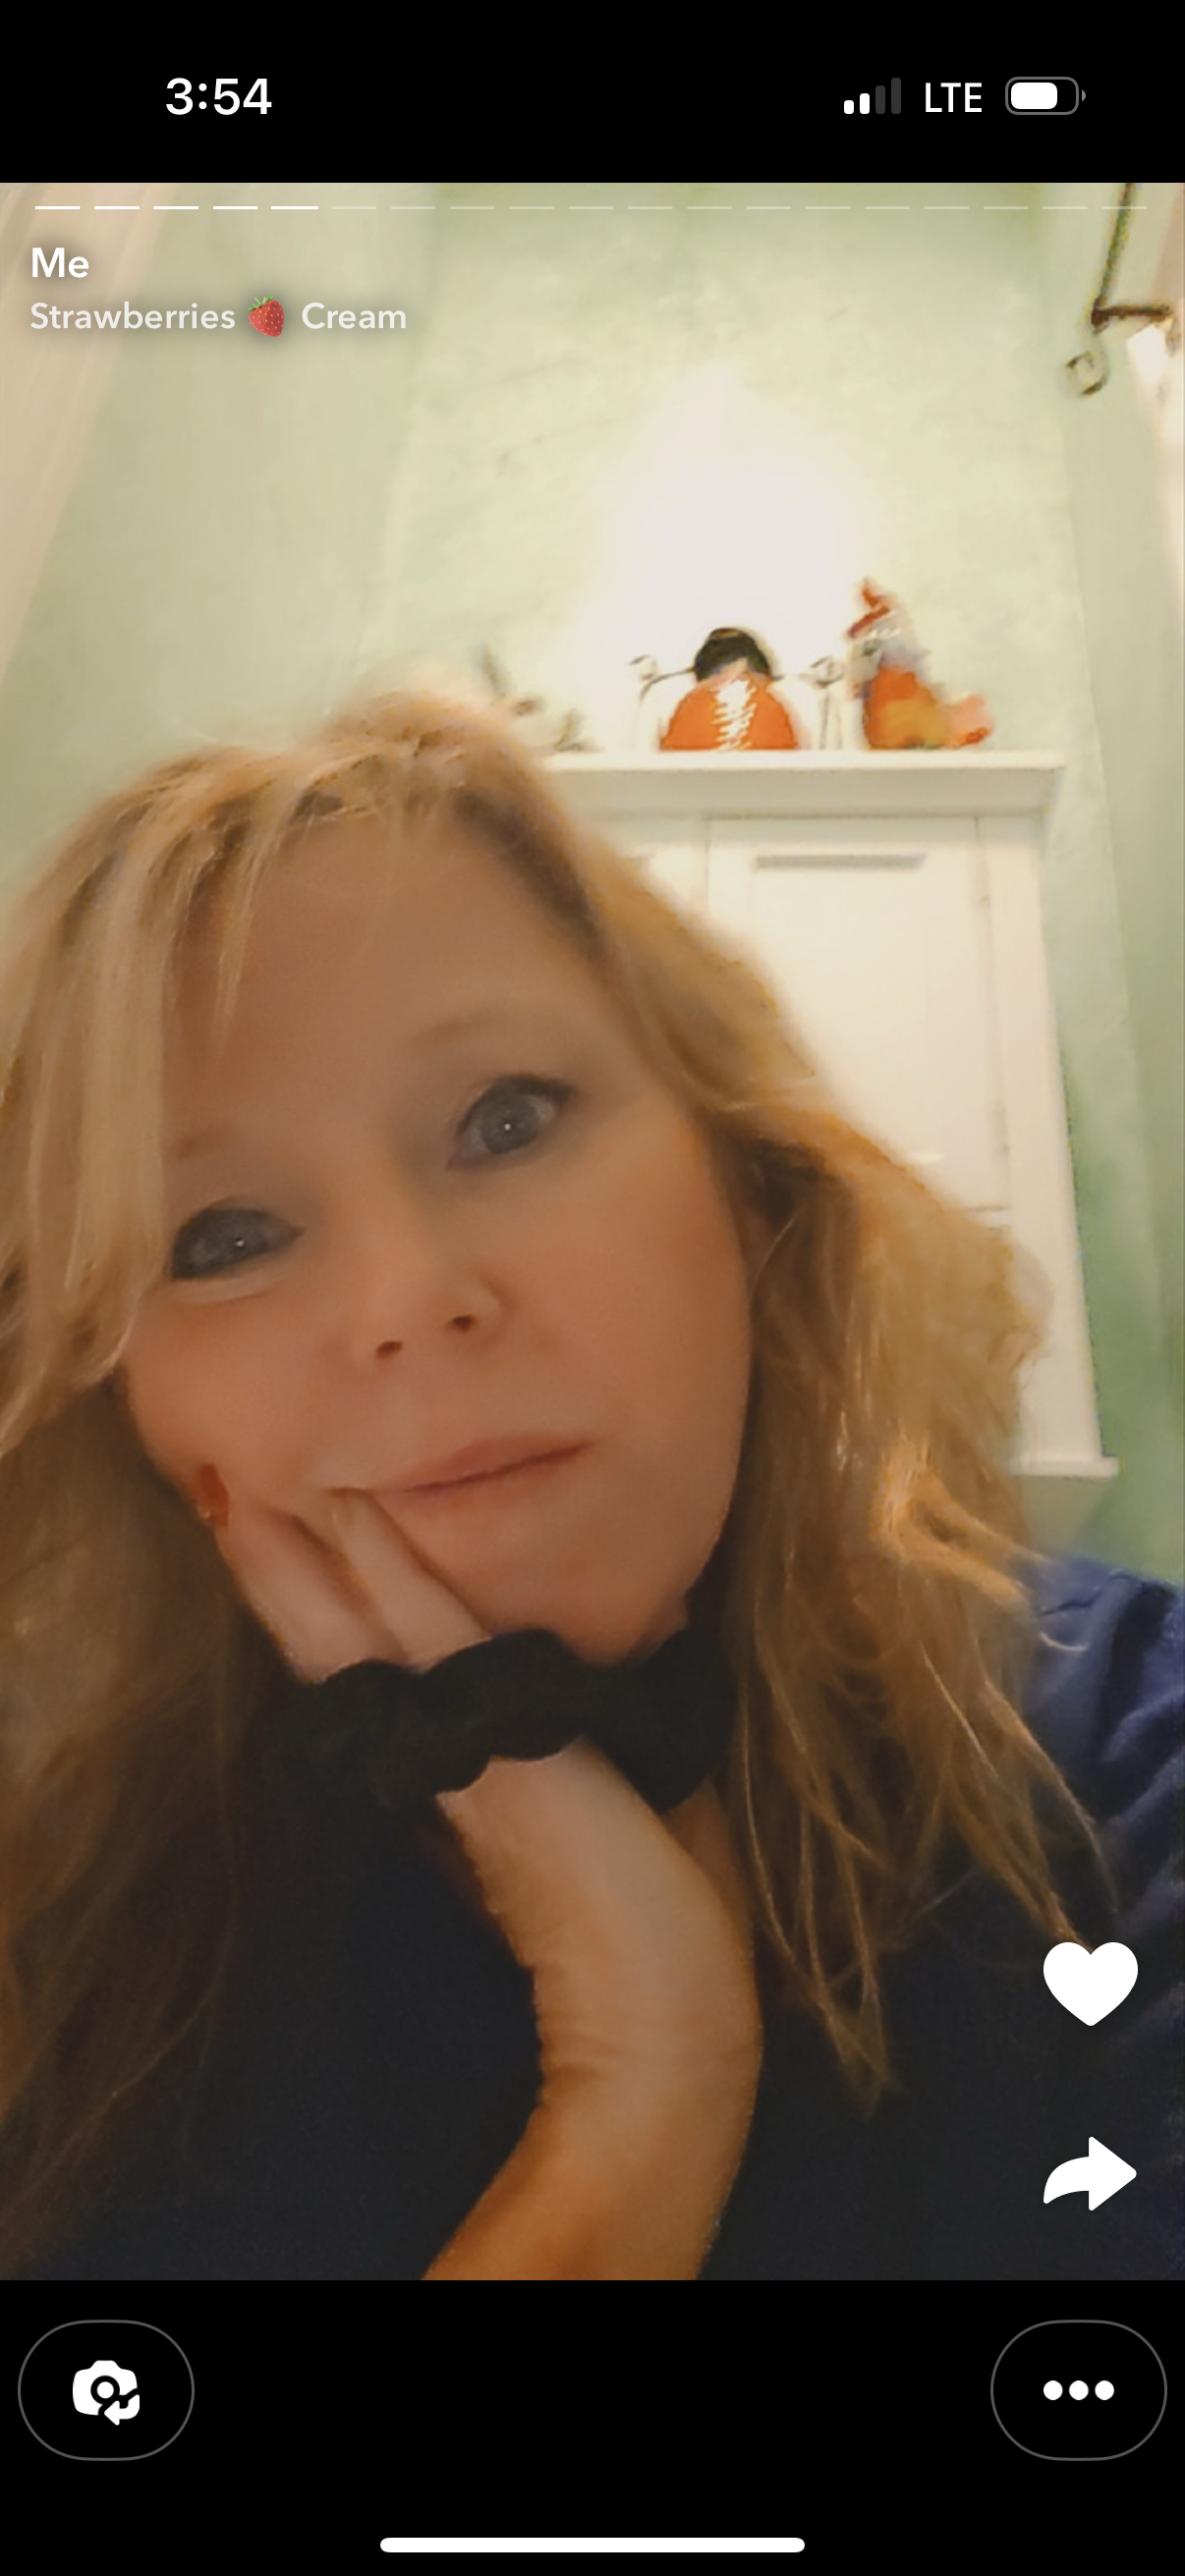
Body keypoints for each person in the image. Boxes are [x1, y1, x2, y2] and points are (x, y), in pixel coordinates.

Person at [0, 683, 1179, 2280]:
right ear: (118, 1395)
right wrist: (645, 2083)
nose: (409, 1297)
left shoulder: (1130, 1761)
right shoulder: (62, 1954)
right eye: (222, 1234)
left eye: (506, 1119)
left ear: (744, 1182)